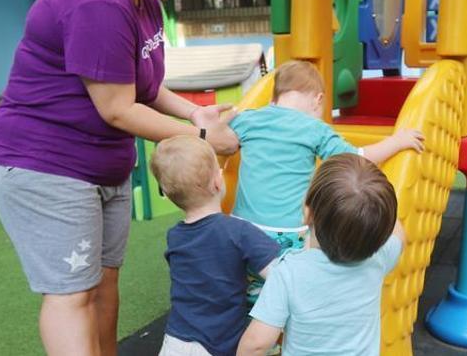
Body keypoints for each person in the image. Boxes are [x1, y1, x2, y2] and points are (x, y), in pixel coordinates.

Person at [0, 0, 239, 356]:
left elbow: (144, 86)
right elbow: (117, 109)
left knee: (103, 286)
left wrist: (192, 110)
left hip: (101, 166)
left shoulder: (145, 3)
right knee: (73, 293)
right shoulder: (97, 0)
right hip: (43, 163)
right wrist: (202, 134)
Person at [229, 60, 422, 254]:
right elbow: (359, 157)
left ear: (275, 97)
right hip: (288, 232)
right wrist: (397, 141)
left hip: (241, 226)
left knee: (250, 273)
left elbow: (220, 135)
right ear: (317, 100)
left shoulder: (248, 119)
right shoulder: (314, 129)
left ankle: (254, 284)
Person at [237, 154, 406, 356]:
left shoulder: (289, 272)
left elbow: (256, 343)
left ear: (308, 214)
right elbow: (399, 233)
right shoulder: (379, 258)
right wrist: (376, 212)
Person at [149, 136, 280, 356]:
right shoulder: (239, 231)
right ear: (218, 183)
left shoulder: (175, 236)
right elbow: (279, 274)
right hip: (217, 344)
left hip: (175, 341)